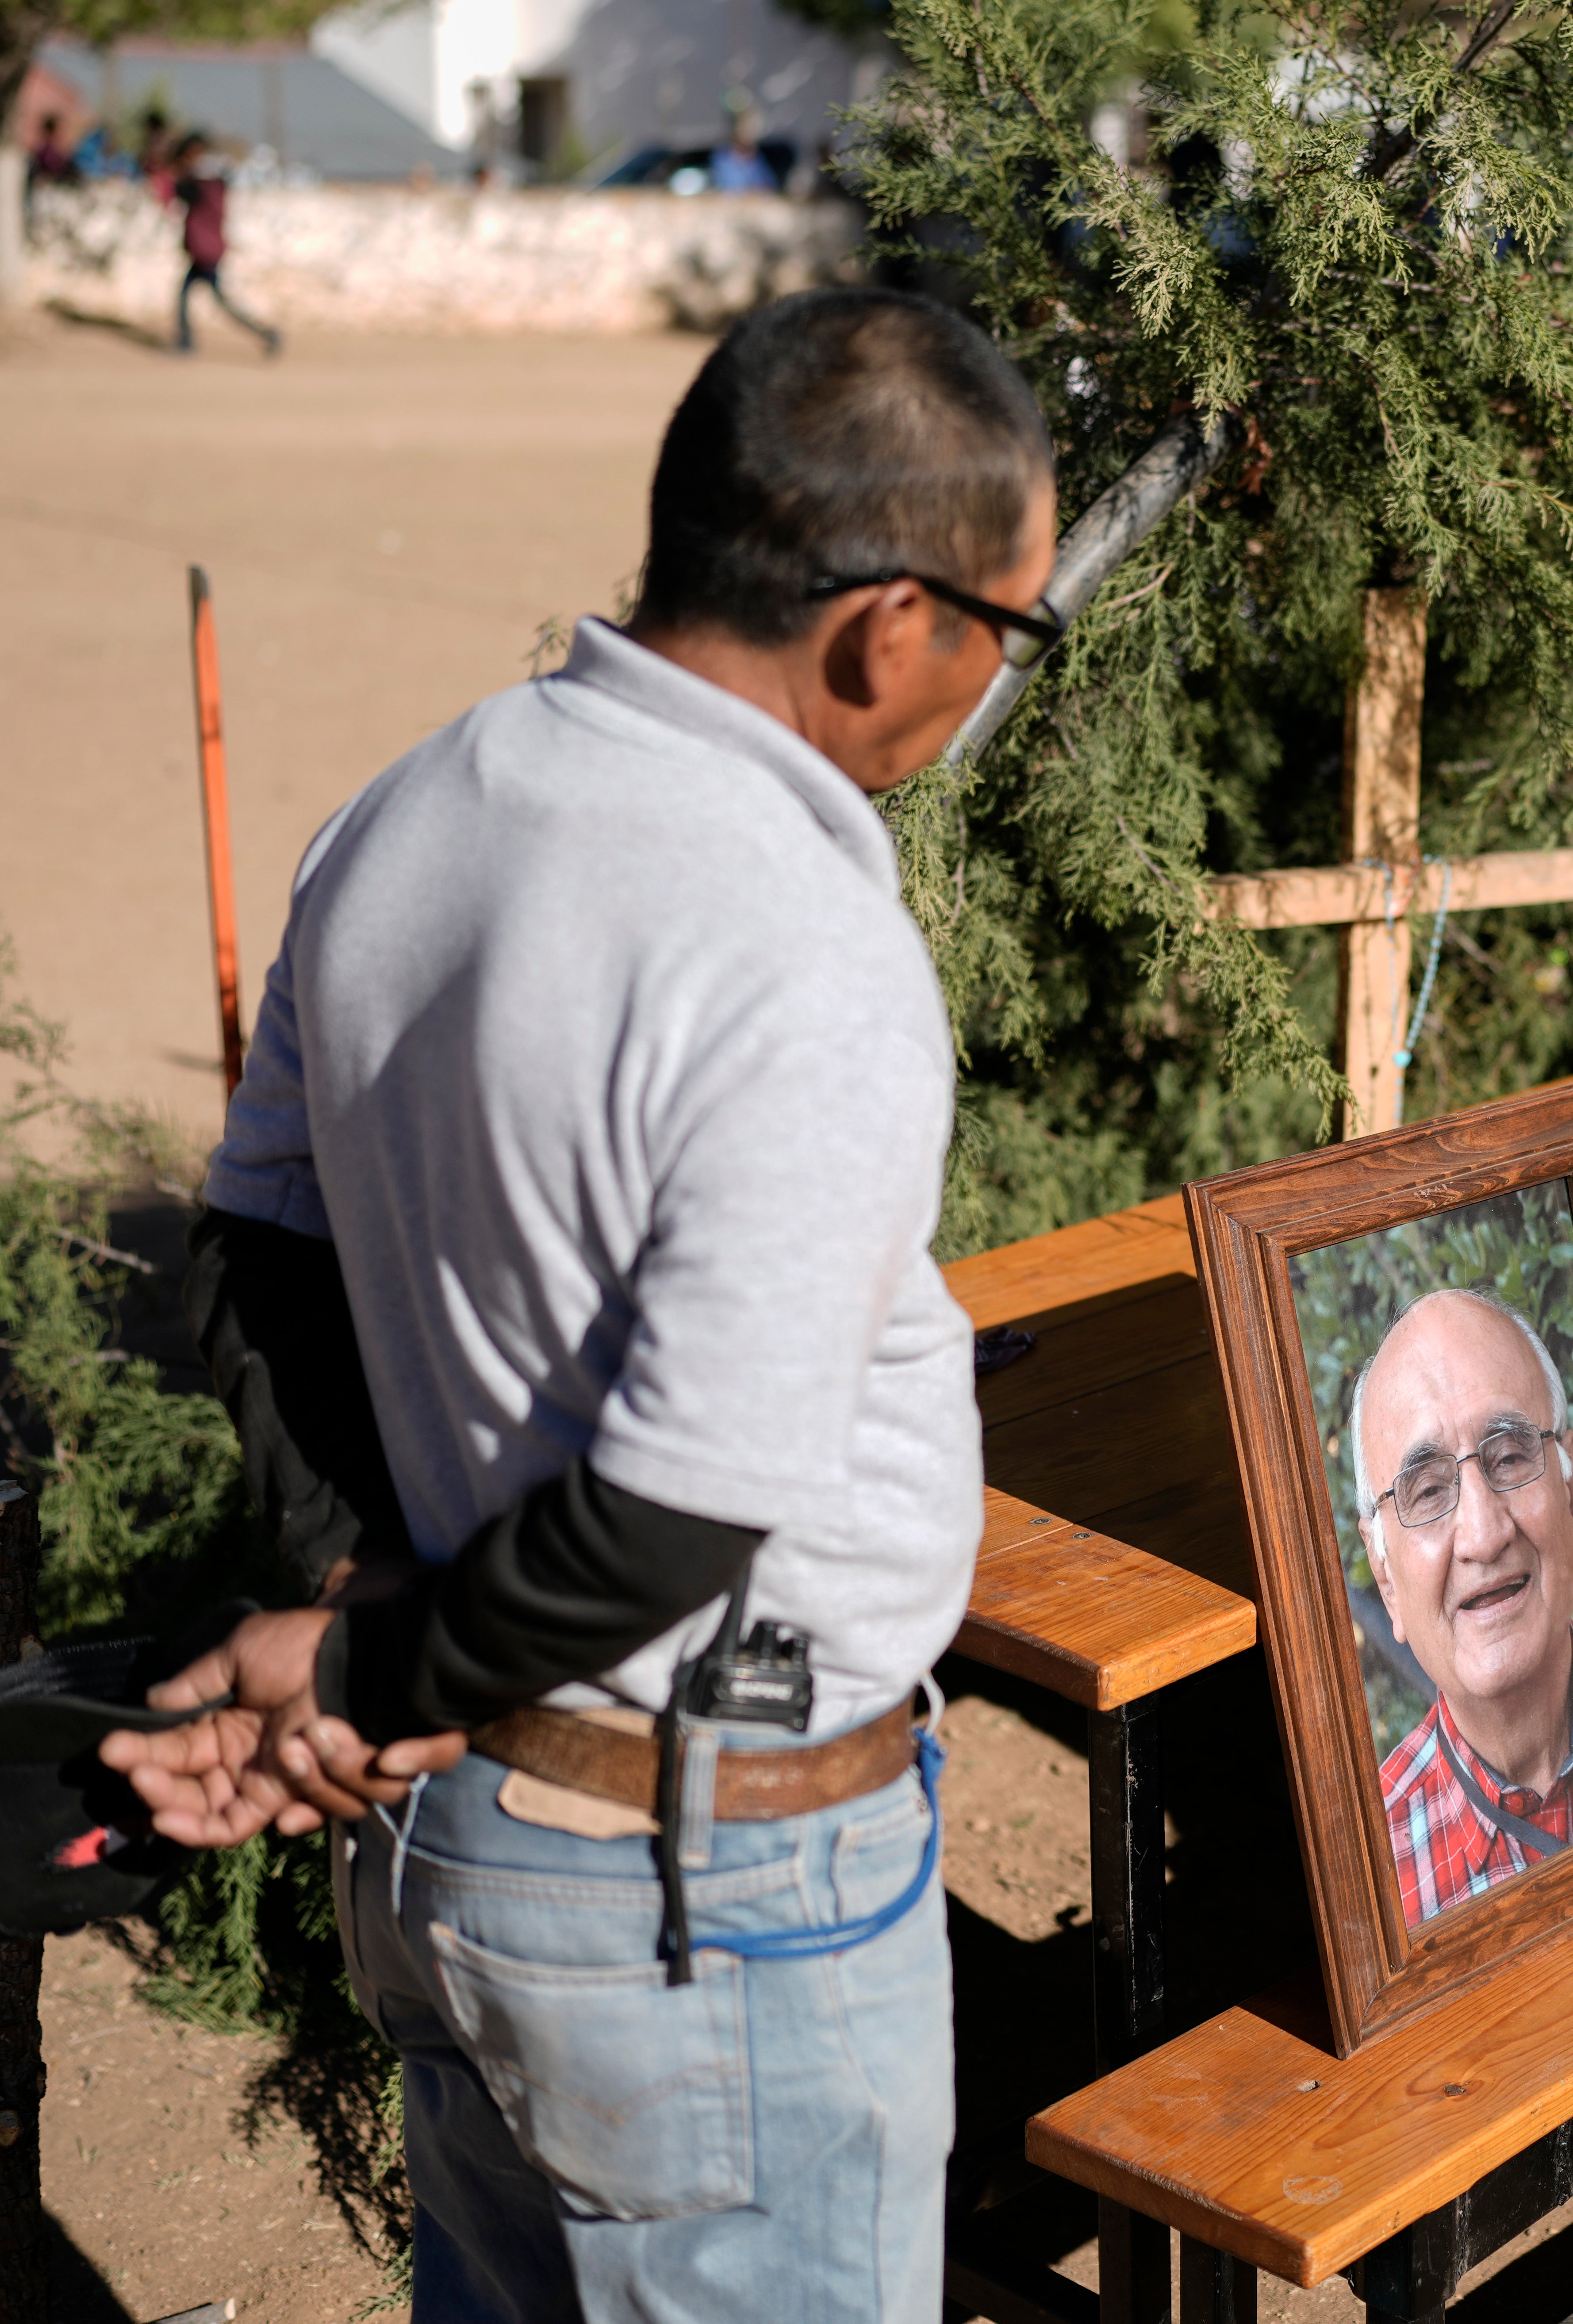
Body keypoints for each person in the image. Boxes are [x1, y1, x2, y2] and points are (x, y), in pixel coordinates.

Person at [100, 286, 1060, 2317]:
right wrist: (363, 1666)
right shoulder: (801, 944)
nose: (997, 679)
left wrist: (363, 1576)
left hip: (456, 1859)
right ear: (890, 627)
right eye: (1013, 629)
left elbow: (258, 1244)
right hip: (709, 1889)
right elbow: (680, 1504)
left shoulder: (408, 814)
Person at [1352, 1287, 1573, 1928]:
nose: (1483, 1533)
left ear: (1571, 1493)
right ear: (1386, 1577)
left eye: (1508, 1456)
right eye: (1428, 1490)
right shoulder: (1367, 1883)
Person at [169, 133, 280, 359]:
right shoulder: (216, 186)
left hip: (205, 253)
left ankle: (265, 334)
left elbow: (178, 191)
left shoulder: (202, 187)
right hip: (208, 251)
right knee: (192, 296)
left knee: (213, 301)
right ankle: (187, 340)